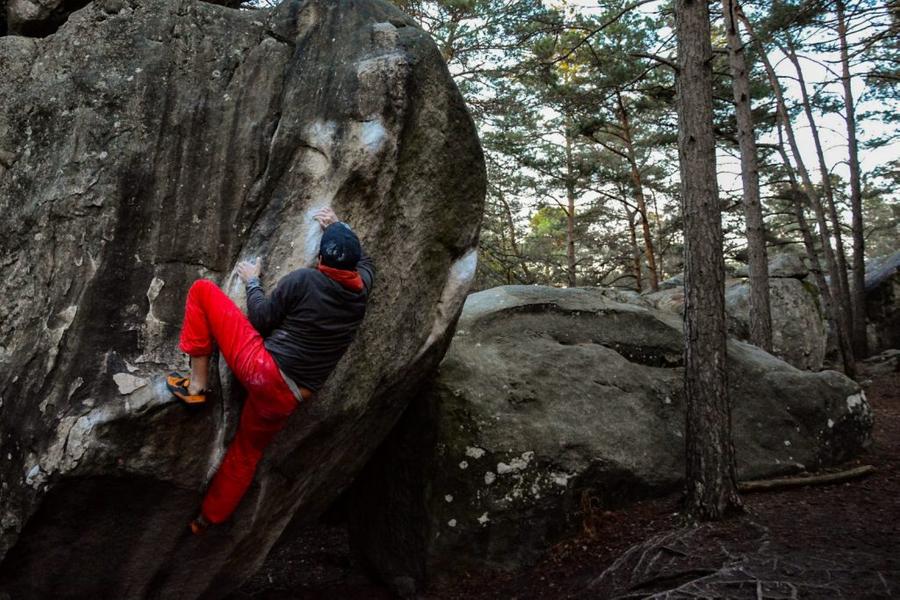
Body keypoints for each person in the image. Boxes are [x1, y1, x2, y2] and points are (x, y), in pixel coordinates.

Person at [165, 207, 374, 534]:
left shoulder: (305, 279)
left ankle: (196, 387)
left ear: (321, 258)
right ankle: (206, 520)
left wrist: (252, 283)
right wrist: (339, 228)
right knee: (247, 453)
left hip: (261, 369)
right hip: (290, 396)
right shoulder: (361, 293)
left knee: (202, 291)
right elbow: (366, 264)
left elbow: (261, 320)